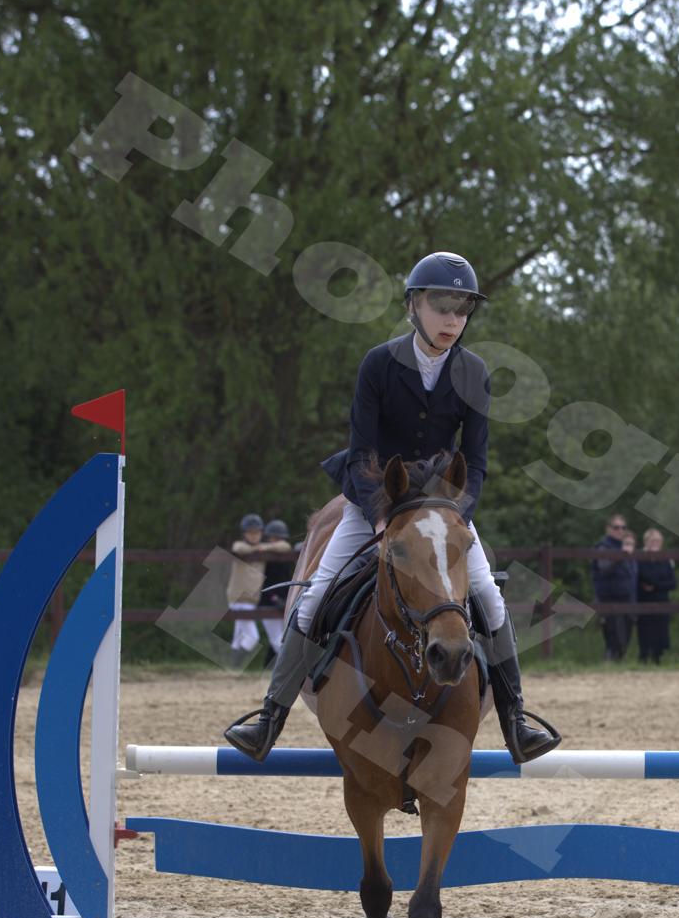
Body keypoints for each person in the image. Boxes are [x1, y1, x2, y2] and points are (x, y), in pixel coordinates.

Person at [223, 252, 561, 764]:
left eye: (462, 309)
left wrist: (457, 517)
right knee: (315, 596)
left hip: (440, 510)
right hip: (373, 501)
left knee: (490, 598)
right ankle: (270, 716)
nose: (453, 319)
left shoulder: (474, 372)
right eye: (442, 306)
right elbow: (362, 452)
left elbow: (476, 461)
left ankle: (515, 719)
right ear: (413, 307)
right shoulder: (379, 364)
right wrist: (381, 516)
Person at [591, 513, 637, 661]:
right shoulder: (603, 547)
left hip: (627, 599)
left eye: (623, 527)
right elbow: (604, 568)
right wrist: (621, 556)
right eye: (616, 527)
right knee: (613, 638)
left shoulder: (625, 546)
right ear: (608, 529)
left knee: (624, 637)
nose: (620, 530)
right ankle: (609, 666)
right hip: (609, 599)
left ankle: (616, 665)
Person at [226, 513, 270, 659]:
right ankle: (235, 664)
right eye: (250, 533)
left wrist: (263, 547)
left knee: (238, 636)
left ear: (261, 533)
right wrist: (258, 549)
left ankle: (230, 664)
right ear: (244, 534)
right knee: (252, 638)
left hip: (250, 599)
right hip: (239, 599)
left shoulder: (264, 548)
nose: (254, 536)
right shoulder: (241, 546)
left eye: (256, 532)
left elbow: (284, 546)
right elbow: (238, 548)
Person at [635, 528, 677, 664]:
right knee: (645, 633)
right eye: (652, 540)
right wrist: (657, 583)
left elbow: (673, 583)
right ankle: (643, 660)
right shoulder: (639, 557)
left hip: (662, 601)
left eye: (658, 541)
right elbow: (642, 577)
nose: (655, 543)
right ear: (646, 541)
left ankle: (657, 660)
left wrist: (655, 586)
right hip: (644, 601)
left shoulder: (666, 559)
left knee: (661, 633)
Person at [256, 519, 294, 663]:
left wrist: (265, 547)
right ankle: (286, 666)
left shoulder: (285, 553)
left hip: (284, 600)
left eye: (278, 538)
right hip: (268, 600)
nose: (276, 540)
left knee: (281, 638)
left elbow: (285, 546)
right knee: (277, 640)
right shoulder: (265, 556)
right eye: (274, 537)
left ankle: (270, 667)